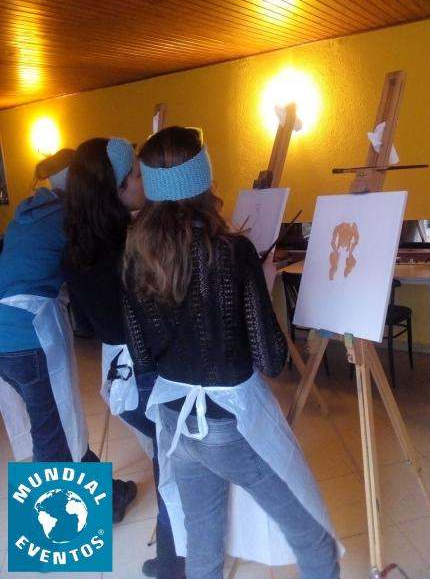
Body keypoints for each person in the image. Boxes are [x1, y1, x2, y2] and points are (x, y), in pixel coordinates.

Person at [123, 126, 341, 579]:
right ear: (203, 180)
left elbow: (142, 358)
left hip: (175, 422)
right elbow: (271, 358)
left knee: (203, 549)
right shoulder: (231, 252)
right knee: (313, 536)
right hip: (228, 423)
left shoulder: (135, 255)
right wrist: (257, 284)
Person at [62, 137, 183, 579]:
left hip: (117, 377)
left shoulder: (77, 248)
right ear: (113, 189)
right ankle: (175, 562)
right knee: (173, 460)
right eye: (133, 173)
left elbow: (89, 323)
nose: (141, 179)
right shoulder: (130, 247)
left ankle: (172, 555)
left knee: (167, 455)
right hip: (145, 371)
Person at [0, 148, 136, 522]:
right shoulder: (69, 218)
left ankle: (106, 496)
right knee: (51, 431)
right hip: (29, 335)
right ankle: (55, 533)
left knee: (54, 420)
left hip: (5, 336)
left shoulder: (29, 211)